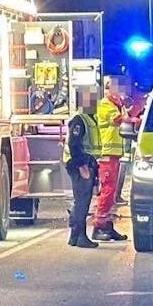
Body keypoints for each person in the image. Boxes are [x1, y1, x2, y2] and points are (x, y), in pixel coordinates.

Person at [90, 79, 129, 241]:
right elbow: (119, 120)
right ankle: (99, 225)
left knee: (111, 192)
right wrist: (138, 118)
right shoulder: (105, 105)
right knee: (107, 190)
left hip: (113, 155)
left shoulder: (117, 105)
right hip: (106, 154)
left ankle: (107, 225)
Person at [65, 85, 100, 249]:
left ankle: (74, 236)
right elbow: (74, 144)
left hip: (86, 163)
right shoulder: (80, 120)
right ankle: (80, 237)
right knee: (82, 202)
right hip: (80, 164)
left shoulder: (90, 118)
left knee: (82, 200)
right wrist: (82, 166)